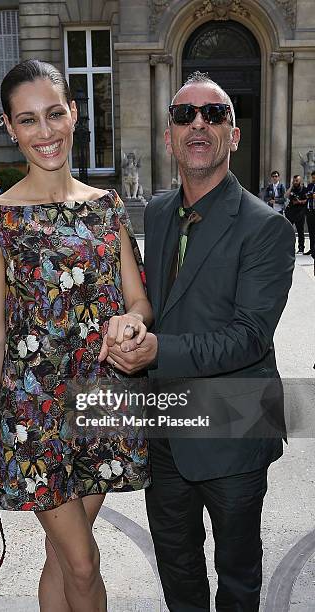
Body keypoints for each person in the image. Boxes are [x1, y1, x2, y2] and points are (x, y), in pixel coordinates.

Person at [0, 59, 152, 612]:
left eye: (54, 114)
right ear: (9, 127)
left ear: (73, 113)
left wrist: (132, 322)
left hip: (101, 407)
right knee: (83, 562)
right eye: (27, 120)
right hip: (31, 421)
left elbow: (139, 300)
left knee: (62, 558)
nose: (45, 132)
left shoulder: (107, 208)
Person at [103, 71, 295, 611]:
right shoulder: (160, 212)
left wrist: (158, 349)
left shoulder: (265, 227)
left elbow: (249, 338)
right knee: (177, 564)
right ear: (168, 136)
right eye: (185, 115)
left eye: (215, 114)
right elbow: (156, 303)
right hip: (167, 426)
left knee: (237, 574)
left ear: (234, 134)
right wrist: (134, 328)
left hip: (234, 425)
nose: (199, 125)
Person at [285, 174, 307, 254]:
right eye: (294, 181)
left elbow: (307, 200)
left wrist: (299, 202)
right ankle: (289, 247)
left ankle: (301, 248)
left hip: (300, 212)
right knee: (288, 230)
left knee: (300, 231)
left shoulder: (304, 189)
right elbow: (286, 196)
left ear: (300, 181)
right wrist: (291, 187)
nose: (295, 182)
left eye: (296, 181)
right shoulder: (292, 189)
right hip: (291, 212)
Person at [305, 170, 315, 256]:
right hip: (309, 211)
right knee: (311, 231)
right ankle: (312, 249)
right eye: (313, 177)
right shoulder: (310, 185)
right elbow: (307, 195)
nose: (313, 179)